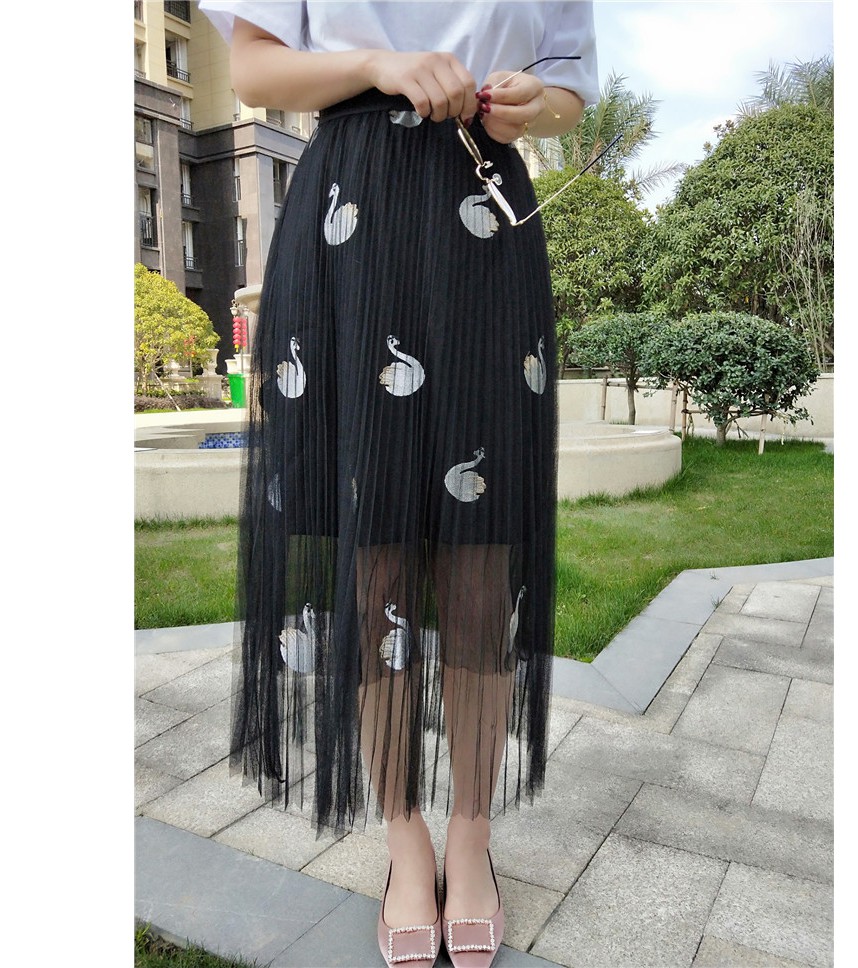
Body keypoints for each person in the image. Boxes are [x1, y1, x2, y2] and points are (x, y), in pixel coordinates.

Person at [198, 3, 597, 965]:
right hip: (353, 218)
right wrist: (378, 64)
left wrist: (532, 105)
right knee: (372, 554)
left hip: (480, 222)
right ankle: (404, 839)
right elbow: (255, 72)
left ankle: (471, 836)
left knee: (481, 562)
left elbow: (571, 92)